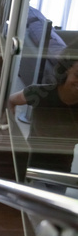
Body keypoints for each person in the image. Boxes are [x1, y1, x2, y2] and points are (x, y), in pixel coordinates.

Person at [8, 49, 78, 185]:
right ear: (66, 71)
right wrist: (12, 134)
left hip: (62, 167)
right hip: (32, 161)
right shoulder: (40, 93)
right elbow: (11, 101)